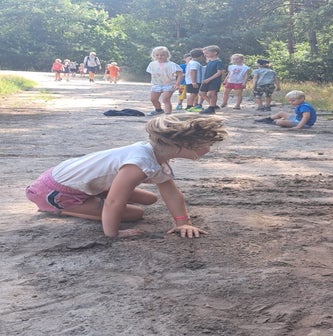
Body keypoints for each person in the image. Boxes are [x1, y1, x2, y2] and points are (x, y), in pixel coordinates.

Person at [25, 114, 227, 238]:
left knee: (150, 198)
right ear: (183, 146)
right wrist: (113, 233)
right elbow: (114, 202)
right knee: (134, 214)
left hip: (71, 182)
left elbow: (171, 193)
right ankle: (60, 209)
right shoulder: (138, 164)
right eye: (206, 145)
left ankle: (90, 199)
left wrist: (182, 222)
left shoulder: (154, 155)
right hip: (53, 192)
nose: (209, 149)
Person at [146, 46, 184, 116]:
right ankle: (158, 110)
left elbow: (180, 74)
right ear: (154, 55)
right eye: (157, 55)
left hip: (169, 85)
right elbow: (152, 74)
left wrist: (177, 84)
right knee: (153, 99)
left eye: (162, 55)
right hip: (157, 84)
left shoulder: (172, 65)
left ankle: (167, 114)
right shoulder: (152, 64)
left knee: (166, 99)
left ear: (167, 55)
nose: (160, 57)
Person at [199, 45, 226, 115]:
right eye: (204, 53)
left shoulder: (218, 62)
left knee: (212, 94)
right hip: (206, 80)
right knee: (202, 93)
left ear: (215, 53)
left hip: (214, 81)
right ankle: (213, 105)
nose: (205, 55)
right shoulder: (210, 61)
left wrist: (209, 79)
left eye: (207, 53)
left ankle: (211, 108)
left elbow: (219, 72)